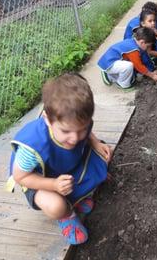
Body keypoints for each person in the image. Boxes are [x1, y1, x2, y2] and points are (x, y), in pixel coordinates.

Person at [6, 73, 112, 245]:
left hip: (68, 165)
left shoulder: (76, 122)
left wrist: (95, 141)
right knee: (56, 206)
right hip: (40, 178)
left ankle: (76, 197)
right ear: (48, 119)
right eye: (66, 131)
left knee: (105, 154)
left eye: (82, 129)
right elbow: (21, 177)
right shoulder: (32, 146)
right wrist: (53, 185)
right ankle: (67, 216)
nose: (74, 138)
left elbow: (82, 130)